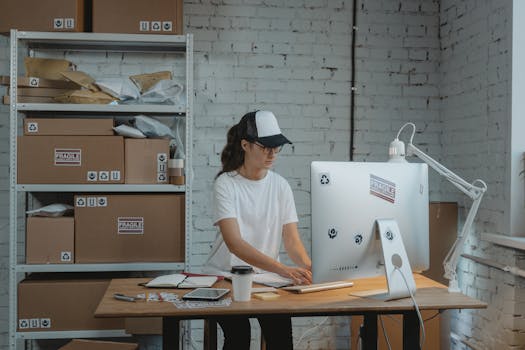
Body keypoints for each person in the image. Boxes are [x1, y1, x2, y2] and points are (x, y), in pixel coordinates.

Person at [204, 110, 312, 350]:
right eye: (265, 147)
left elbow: (292, 242)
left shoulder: (280, 186)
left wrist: (311, 268)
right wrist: (284, 269)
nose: (272, 153)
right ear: (245, 145)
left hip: (267, 278)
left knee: (282, 338)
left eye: (277, 147)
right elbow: (235, 244)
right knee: (239, 338)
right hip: (226, 277)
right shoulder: (226, 184)